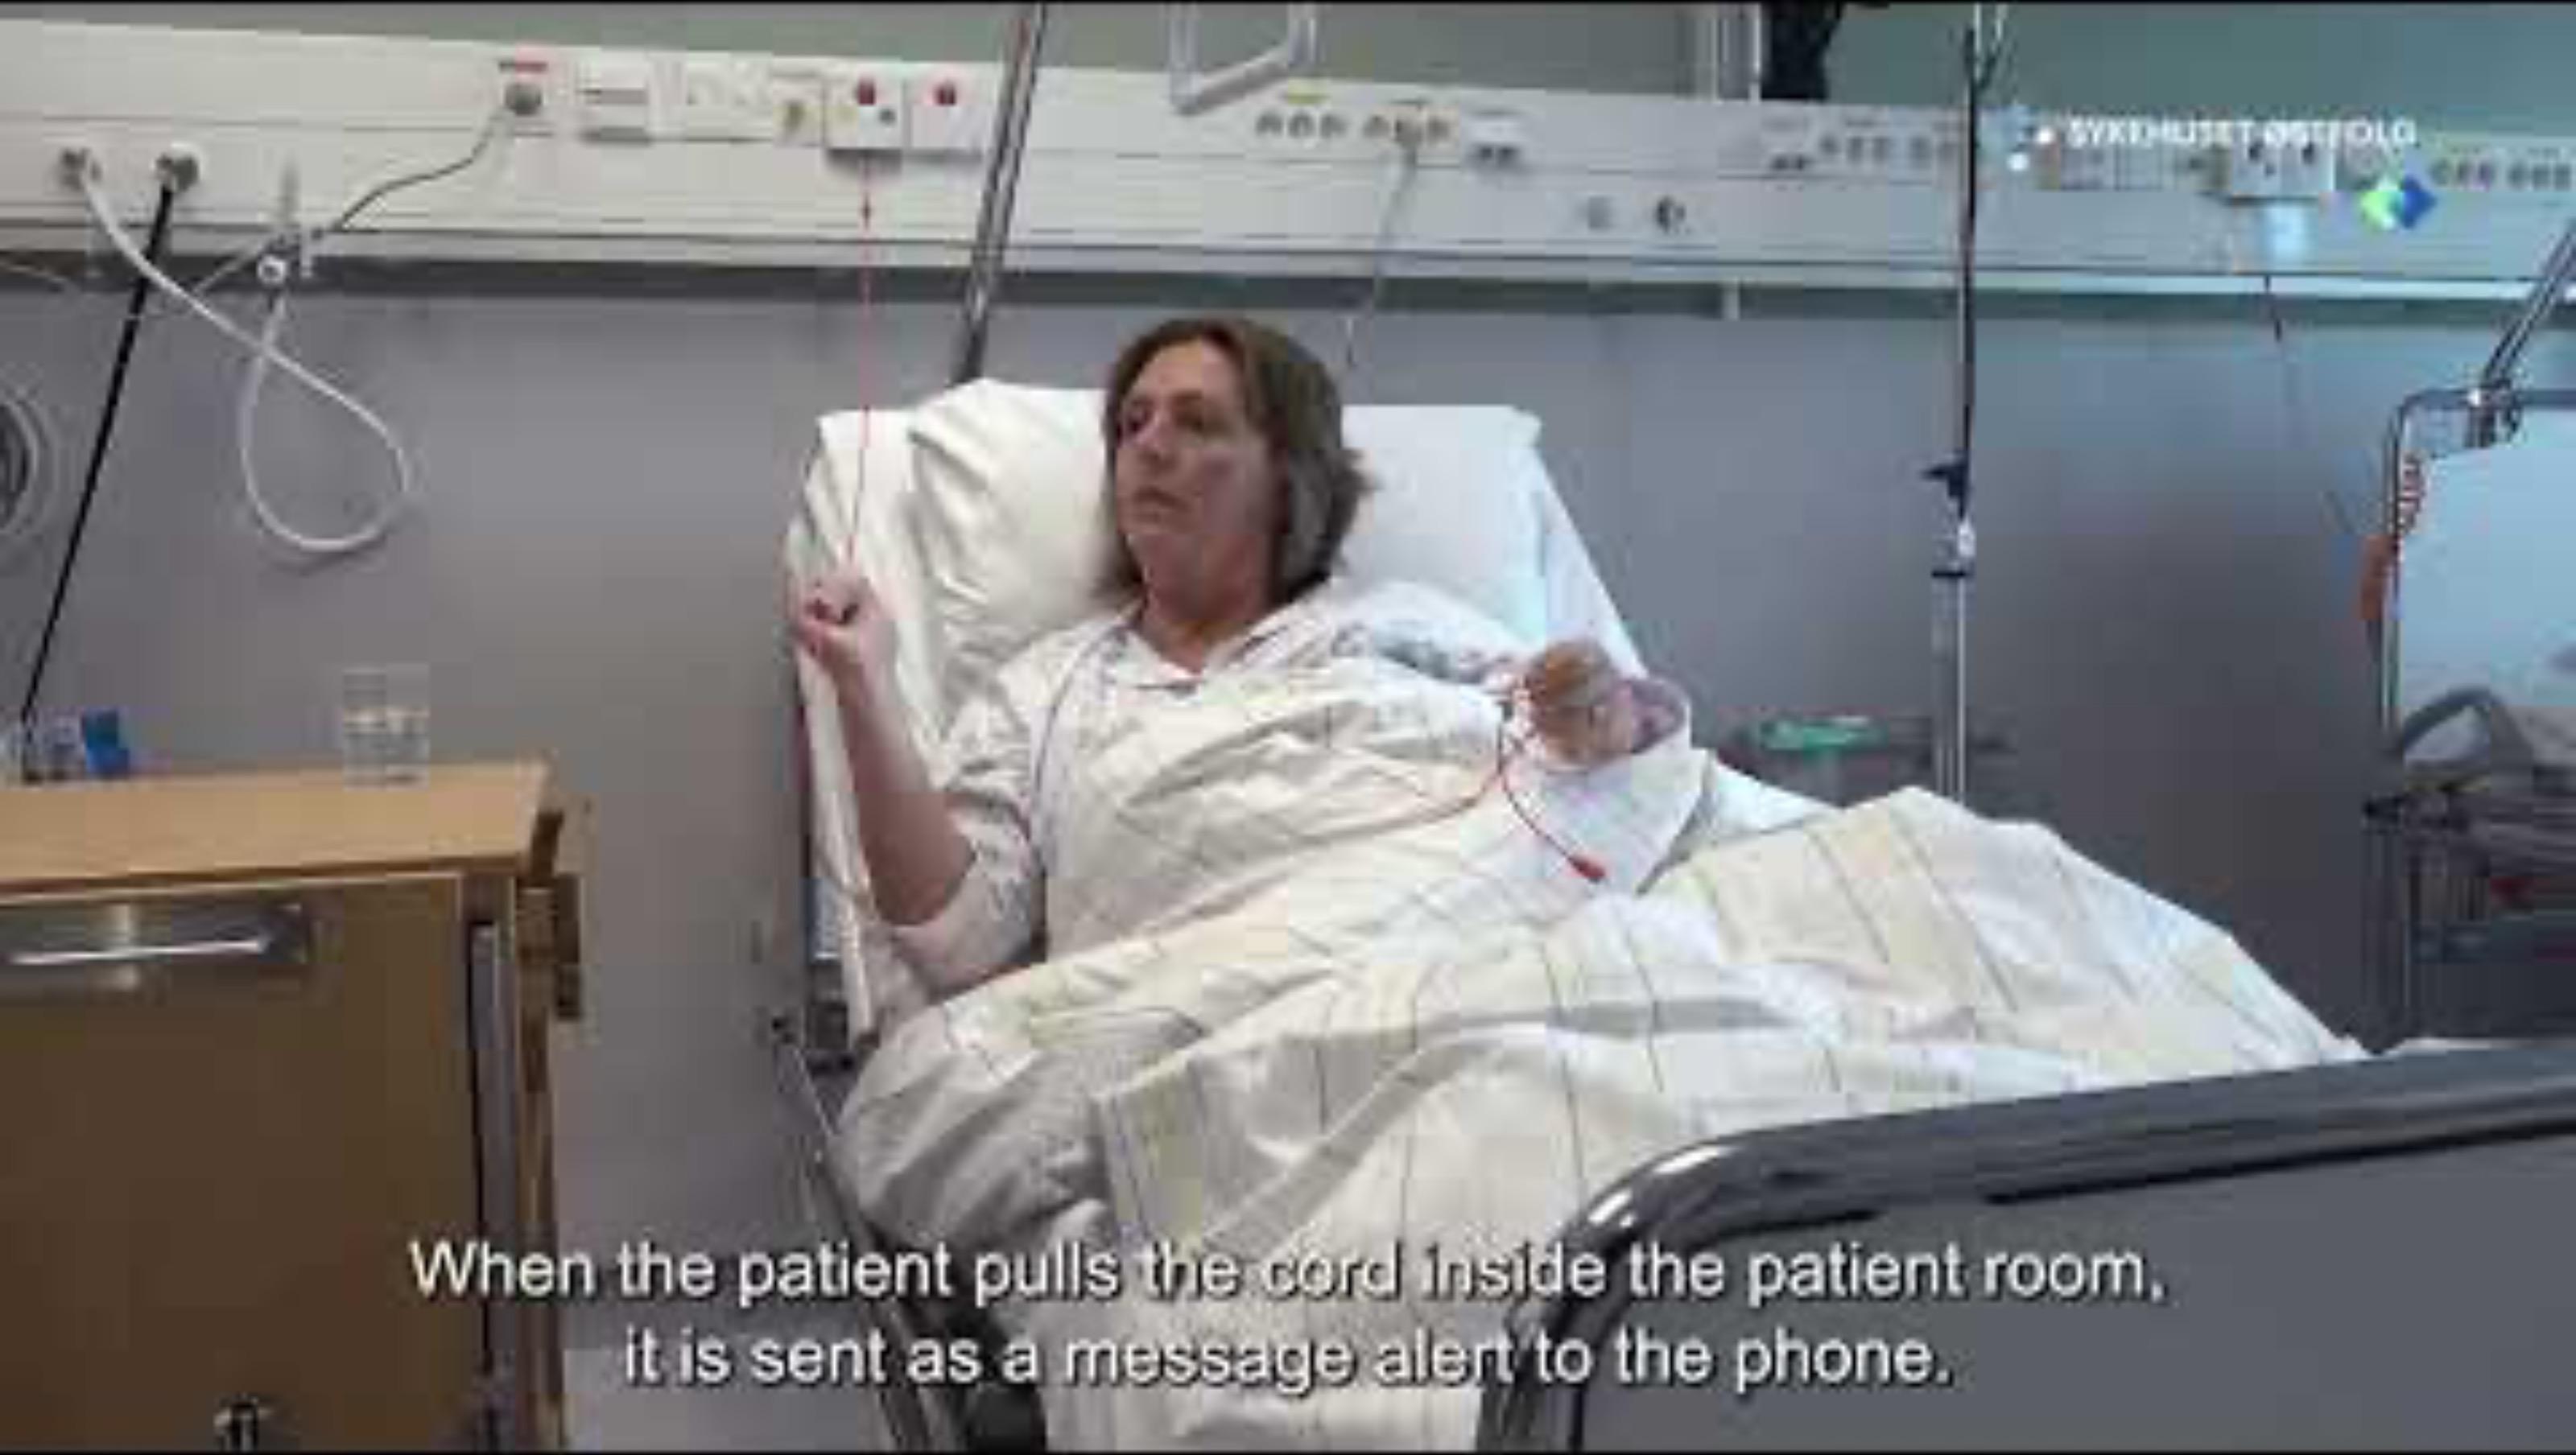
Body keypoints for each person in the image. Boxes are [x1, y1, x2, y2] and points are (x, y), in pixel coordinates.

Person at [790, 315, 1683, 997]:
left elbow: (1605, 772)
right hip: (1210, 1026)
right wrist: (867, 685)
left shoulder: (1412, 625)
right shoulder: (1044, 692)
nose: (1148, 446)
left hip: (1482, 976)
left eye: (1198, 423)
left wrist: (1606, 720)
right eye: (1131, 424)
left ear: (1289, 476)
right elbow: (952, 941)